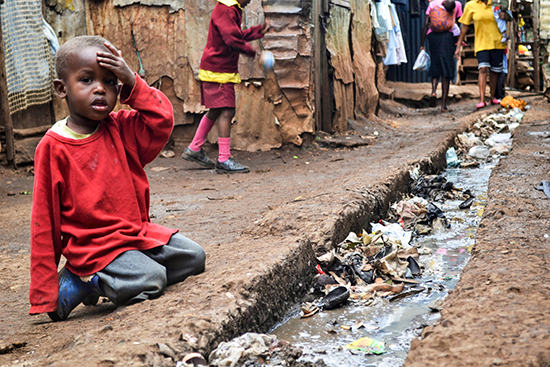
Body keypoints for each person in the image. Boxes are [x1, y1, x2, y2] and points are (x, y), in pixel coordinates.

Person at [30, 36, 206, 321]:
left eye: (110, 82)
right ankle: (81, 280)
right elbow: (43, 222)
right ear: (62, 89)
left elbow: (161, 120)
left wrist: (132, 81)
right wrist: (44, 292)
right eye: (86, 80)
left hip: (136, 235)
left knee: (194, 257)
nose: (100, 89)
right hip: (94, 248)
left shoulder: (121, 128)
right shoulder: (53, 148)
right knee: (152, 279)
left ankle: (117, 275)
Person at [181, 0, 268, 174]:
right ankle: (223, 159)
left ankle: (194, 148)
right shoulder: (227, 10)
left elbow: (233, 35)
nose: (250, 0)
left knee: (216, 110)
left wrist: (255, 32)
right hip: (218, 70)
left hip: (217, 68)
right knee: (227, 111)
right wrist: (254, 53)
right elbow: (232, 40)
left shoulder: (230, 9)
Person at [455, 0, 511, 109]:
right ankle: (481, 99)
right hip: (481, 43)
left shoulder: (496, 4)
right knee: (483, 69)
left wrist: (506, 16)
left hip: (497, 43)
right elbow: (465, 26)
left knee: (495, 71)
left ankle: (491, 97)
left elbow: (509, 17)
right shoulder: (471, 5)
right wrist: (458, 45)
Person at [420, 0, 463, 112]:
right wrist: (459, 40)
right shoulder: (456, 4)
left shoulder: (432, 4)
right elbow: (458, 23)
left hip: (433, 36)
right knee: (446, 68)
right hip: (448, 36)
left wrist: (421, 44)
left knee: (435, 63)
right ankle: (443, 105)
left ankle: (434, 91)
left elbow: (426, 24)